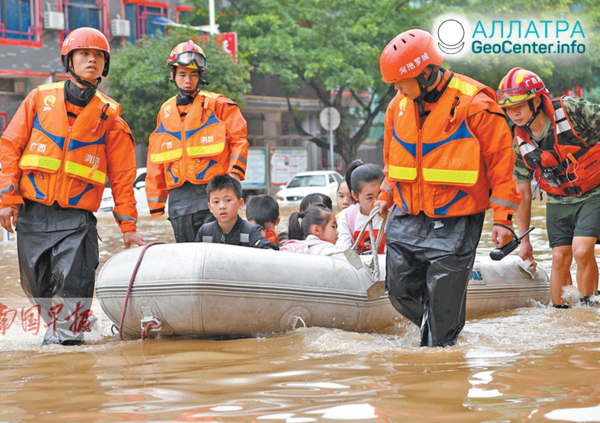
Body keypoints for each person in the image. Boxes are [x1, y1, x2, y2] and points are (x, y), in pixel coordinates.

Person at [375, 29, 522, 347]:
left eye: (401, 81)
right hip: (408, 211)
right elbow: (392, 160)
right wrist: (386, 194)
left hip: (458, 214)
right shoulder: (396, 107)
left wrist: (503, 220)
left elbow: (501, 167)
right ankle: (446, 328)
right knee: (398, 289)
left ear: (425, 73)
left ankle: (442, 352)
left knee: (440, 319)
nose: (397, 89)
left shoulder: (476, 104)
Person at [0, 27, 145, 345]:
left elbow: (122, 175)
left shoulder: (111, 118)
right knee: (36, 290)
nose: (91, 60)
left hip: (76, 221)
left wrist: (128, 225)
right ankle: (74, 327)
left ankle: (66, 351)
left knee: (70, 302)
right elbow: (10, 146)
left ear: (104, 65)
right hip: (33, 215)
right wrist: (8, 198)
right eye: (84, 54)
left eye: (98, 56)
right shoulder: (39, 99)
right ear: (69, 60)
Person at [497, 67, 600, 307]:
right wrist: (524, 241)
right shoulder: (519, 143)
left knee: (582, 250)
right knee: (558, 256)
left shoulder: (571, 110)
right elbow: (521, 193)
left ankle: (588, 311)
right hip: (558, 198)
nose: (514, 113)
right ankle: (561, 318)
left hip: (595, 191)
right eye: (509, 108)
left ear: (536, 101)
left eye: (520, 106)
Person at [146, 40, 249, 243]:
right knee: (186, 256)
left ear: (200, 77)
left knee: (217, 254)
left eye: (193, 75)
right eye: (182, 74)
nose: (188, 80)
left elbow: (239, 139)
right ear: (173, 76)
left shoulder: (219, 105)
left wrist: (233, 176)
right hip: (179, 200)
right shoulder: (164, 112)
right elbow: (155, 158)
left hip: (213, 192)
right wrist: (156, 200)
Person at [194, 174, 278, 249]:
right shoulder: (205, 232)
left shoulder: (251, 231)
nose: (222, 206)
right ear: (210, 207)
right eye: (216, 202)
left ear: (240, 203)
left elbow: (267, 250)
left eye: (228, 200)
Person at [336, 160, 386, 255]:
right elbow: (343, 251)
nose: (376, 202)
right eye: (369, 197)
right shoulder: (347, 216)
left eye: (380, 194)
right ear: (355, 196)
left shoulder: (392, 213)